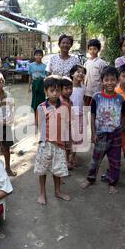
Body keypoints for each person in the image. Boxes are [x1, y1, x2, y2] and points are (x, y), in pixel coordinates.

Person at [81, 66, 125, 194]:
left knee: (115, 161)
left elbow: (124, 114)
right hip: (101, 134)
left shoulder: (120, 99)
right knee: (96, 159)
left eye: (113, 80)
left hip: (115, 135)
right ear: (102, 81)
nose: (110, 82)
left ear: (117, 81)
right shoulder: (96, 97)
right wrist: (93, 133)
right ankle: (90, 179)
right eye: (106, 80)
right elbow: (93, 115)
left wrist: (121, 127)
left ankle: (112, 182)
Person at [34, 76, 71, 205]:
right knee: (42, 170)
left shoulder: (65, 106)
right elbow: (40, 127)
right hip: (46, 143)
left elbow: (66, 125)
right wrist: (49, 140)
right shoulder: (41, 107)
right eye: (51, 90)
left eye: (57, 90)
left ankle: (57, 191)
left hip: (60, 144)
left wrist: (65, 142)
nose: (55, 93)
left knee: (58, 169)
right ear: (46, 91)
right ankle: (42, 193)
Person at [69, 64, 87, 166]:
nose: (81, 74)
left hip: (80, 116)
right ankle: (67, 158)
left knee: (77, 137)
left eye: (83, 72)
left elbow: (83, 101)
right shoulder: (68, 87)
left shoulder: (83, 88)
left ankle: (73, 157)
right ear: (72, 74)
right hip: (70, 116)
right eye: (78, 72)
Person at [84, 39, 108, 106]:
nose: (92, 51)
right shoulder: (86, 63)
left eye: (95, 49)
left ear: (99, 49)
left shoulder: (102, 63)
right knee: (87, 108)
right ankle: (86, 117)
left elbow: (105, 77)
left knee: (97, 108)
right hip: (87, 91)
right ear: (88, 50)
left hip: (97, 91)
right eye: (90, 49)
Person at [28, 49, 47, 125]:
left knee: (43, 101)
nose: (38, 56)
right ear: (34, 56)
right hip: (34, 84)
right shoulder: (31, 65)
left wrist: (46, 88)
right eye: (36, 55)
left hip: (42, 84)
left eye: (40, 55)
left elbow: (47, 77)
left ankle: (44, 119)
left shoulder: (45, 66)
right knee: (35, 102)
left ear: (42, 56)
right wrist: (29, 87)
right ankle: (35, 120)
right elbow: (30, 76)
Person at [60, 77, 74, 170]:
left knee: (68, 146)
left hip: (69, 127)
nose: (69, 91)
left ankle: (66, 161)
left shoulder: (70, 101)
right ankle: (63, 163)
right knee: (62, 147)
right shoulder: (59, 101)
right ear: (60, 89)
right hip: (61, 129)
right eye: (66, 88)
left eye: (70, 88)